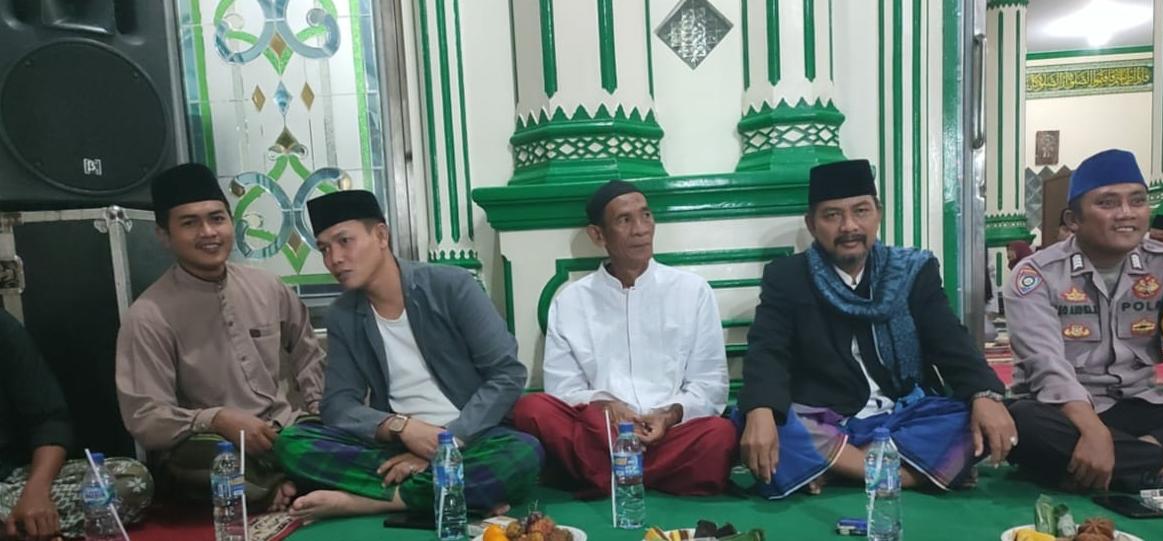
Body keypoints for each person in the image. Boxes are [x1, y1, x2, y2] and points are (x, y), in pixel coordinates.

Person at [737, 159, 1016, 498]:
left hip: (904, 414)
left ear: (878, 214)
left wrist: (983, 394)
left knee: (971, 417)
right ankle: (915, 473)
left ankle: (838, 470)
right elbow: (768, 350)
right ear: (811, 224)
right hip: (827, 419)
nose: (849, 226)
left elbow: (950, 340)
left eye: (861, 211)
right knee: (762, 420)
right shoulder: (788, 277)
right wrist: (761, 411)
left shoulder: (912, 271)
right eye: (832, 215)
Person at [276, 190, 542, 520]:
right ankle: (450, 491)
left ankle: (374, 500)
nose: (335, 259)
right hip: (395, 443)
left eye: (344, 241)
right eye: (324, 249)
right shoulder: (342, 314)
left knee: (523, 454)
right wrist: (401, 428)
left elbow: (507, 374)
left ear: (381, 235)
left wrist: (445, 443)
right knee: (292, 442)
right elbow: (338, 404)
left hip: (472, 437)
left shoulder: (452, 286)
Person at [1005, 149, 1163, 491]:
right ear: (1073, 219)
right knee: (1022, 423)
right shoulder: (1036, 275)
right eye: (1108, 203)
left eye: (1137, 201)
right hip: (1067, 410)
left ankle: (1132, 457)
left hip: (1143, 404)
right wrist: (1094, 431)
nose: (1126, 213)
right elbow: (1047, 368)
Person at [115, 163, 324, 512]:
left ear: (231, 222)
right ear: (164, 235)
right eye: (189, 223)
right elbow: (146, 418)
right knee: (198, 464)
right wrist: (216, 419)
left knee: (342, 438)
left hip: (283, 432)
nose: (208, 232)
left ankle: (273, 487)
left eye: (217, 218)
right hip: (214, 443)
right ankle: (279, 485)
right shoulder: (148, 315)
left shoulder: (267, 287)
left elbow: (308, 352)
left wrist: (319, 413)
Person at [510, 180, 735, 497]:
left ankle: (603, 476)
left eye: (646, 216)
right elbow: (562, 389)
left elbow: (710, 384)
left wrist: (669, 415)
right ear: (597, 235)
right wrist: (606, 405)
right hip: (602, 432)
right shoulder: (571, 301)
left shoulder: (692, 291)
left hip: (668, 434)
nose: (641, 229)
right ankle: (640, 473)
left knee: (720, 435)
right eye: (624, 220)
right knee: (531, 409)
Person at [2, 310, 151, 540]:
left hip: (8, 484)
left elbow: (49, 419)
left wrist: (37, 491)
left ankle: (20, 526)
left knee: (132, 480)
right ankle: (22, 528)